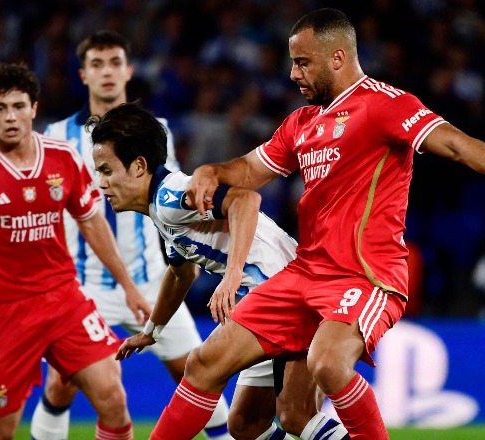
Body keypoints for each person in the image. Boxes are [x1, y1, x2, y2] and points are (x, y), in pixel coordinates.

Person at [151, 8, 485, 440]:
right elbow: (250, 170)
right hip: (304, 272)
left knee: (328, 363)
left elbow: (454, 143)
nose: (293, 73)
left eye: (302, 62)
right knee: (212, 368)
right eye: (292, 62)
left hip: (366, 274)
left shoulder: (384, 104)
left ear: (337, 58)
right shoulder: (301, 122)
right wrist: (212, 172)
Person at [92, 102, 350, 439]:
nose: (101, 183)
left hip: (277, 292)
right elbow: (180, 273)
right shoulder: (162, 209)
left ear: (139, 166)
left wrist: (232, 275)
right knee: (251, 423)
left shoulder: (172, 198)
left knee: (202, 366)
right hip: (284, 291)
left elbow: (246, 202)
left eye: (107, 170)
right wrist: (152, 331)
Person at [29, 30, 233, 440]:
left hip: (153, 280)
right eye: (97, 64)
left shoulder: (156, 130)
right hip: (84, 286)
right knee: (60, 385)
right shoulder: (55, 136)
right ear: (83, 75)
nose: (108, 72)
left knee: (197, 373)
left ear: (129, 70)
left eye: (115, 62)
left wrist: (191, 253)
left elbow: (173, 196)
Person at [0, 62, 150, 440]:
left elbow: (92, 221)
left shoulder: (63, 157)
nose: (11, 117)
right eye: (0, 108)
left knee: (113, 397)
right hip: (1, 311)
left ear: (34, 108)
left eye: (19, 106)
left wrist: (127, 285)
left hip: (62, 298)